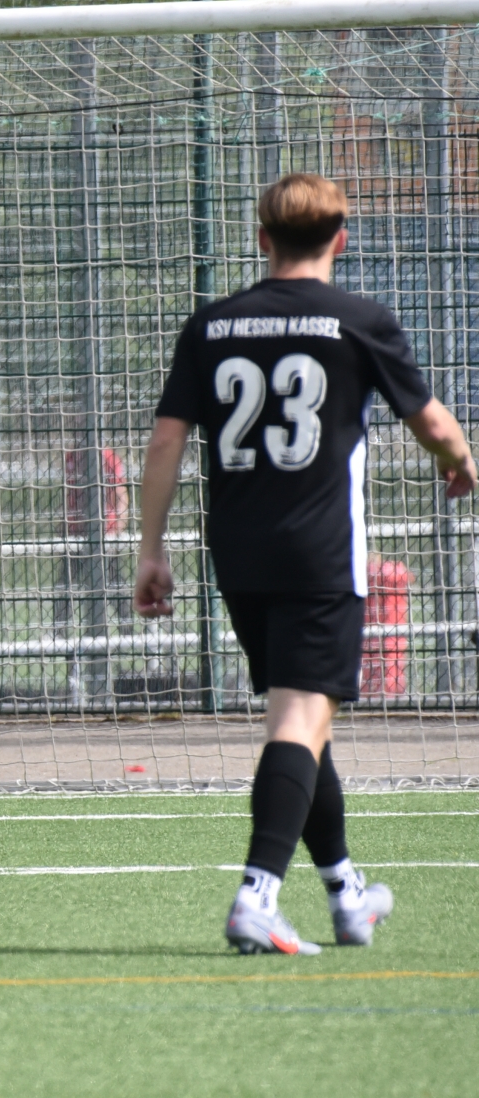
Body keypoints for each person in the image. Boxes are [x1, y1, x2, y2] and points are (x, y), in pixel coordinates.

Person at [135, 173, 476, 954]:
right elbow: (431, 423)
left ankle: (346, 894)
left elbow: (165, 441)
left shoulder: (212, 325)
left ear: (262, 239)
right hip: (320, 553)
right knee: (298, 719)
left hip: (238, 554)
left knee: (303, 717)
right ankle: (256, 895)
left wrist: (151, 550)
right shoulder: (360, 320)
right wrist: (459, 462)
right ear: (340, 240)